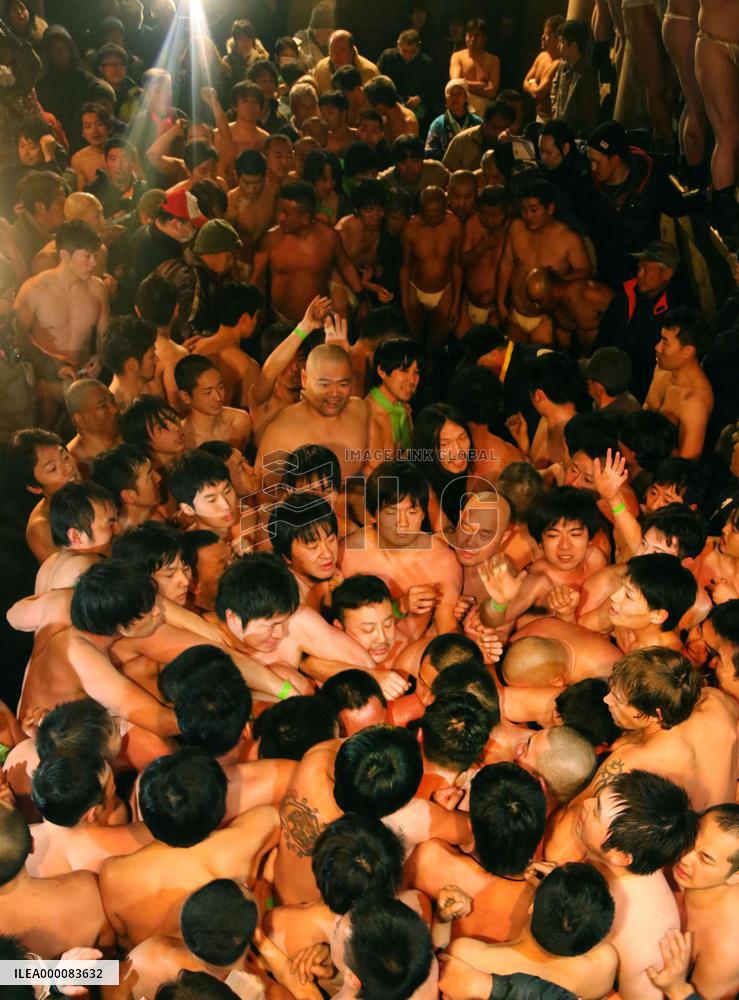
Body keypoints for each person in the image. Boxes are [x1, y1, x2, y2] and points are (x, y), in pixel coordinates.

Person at [575, 770, 698, 1000]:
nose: (585, 803)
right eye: (597, 799)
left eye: (596, 811)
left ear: (621, 856)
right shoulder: (613, 857)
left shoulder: (645, 937)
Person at [442, 863, 618, 1000]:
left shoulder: (468, 957)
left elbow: (434, 970)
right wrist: (559, 891)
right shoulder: (602, 964)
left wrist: (441, 918)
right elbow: (577, 923)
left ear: (532, 905)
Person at [342, 460, 463, 636]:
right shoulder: (346, 553)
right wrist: (400, 607)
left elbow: (448, 629)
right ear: (373, 514)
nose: (403, 523)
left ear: (423, 514)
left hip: (409, 655)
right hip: (354, 654)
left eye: (412, 512)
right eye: (392, 512)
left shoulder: (441, 561)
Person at [15, 219, 109, 424]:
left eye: (95, 255)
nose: (93, 263)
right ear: (65, 255)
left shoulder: (98, 289)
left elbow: (105, 333)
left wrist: (100, 357)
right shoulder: (34, 289)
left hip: (84, 382)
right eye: (87, 256)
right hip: (46, 385)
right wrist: (50, 364)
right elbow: (15, 337)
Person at [0, 803, 113, 958]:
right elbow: (107, 966)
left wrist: (49, 980)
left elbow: (9, 975)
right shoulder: (88, 890)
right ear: (33, 845)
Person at [255, 341, 371, 486]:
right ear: (304, 379)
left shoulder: (360, 411)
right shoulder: (282, 429)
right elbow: (264, 494)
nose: (334, 393)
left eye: (343, 384)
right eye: (325, 385)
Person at [251, 180, 367, 324]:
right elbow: (256, 278)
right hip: (280, 321)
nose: (280, 217)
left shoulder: (328, 237)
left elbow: (345, 265)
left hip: (319, 319)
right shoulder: (271, 239)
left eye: (287, 213)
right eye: (279, 211)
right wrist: (257, 313)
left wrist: (362, 298)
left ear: (305, 217)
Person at [496, 179, 591, 345]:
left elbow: (585, 270)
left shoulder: (568, 239)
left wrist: (554, 281)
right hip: (516, 313)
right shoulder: (516, 227)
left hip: (547, 319)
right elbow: (506, 264)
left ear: (550, 209)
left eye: (534, 210)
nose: (528, 216)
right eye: (524, 210)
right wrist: (500, 301)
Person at [673, 803, 739, 999]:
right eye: (691, 839)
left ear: (735, 877)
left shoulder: (727, 946)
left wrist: (674, 988)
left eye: (705, 859)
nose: (685, 858)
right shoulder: (673, 852)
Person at [645, 307, 714, 460]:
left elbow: (683, 469)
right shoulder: (662, 368)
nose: (657, 347)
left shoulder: (695, 403)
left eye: (665, 342)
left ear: (688, 351)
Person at [696, 0, 739, 238]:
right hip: (714, 40)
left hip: (714, 38)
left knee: (726, 138)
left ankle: (725, 217)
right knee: (726, 138)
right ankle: (725, 217)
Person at [401, 186, 462, 346]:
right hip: (416, 287)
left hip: (444, 289)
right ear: (421, 210)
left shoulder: (454, 225)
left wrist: (456, 303)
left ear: (446, 208)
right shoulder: (411, 228)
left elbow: (457, 265)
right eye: (429, 216)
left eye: (438, 215)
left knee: (437, 342)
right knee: (413, 338)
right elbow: (405, 267)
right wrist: (405, 303)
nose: (434, 220)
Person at [35, 480, 118, 593]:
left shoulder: (47, 566)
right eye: (110, 523)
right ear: (76, 536)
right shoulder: (90, 567)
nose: (118, 529)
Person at [525, 267, 615, 354]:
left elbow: (625, 309)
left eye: (539, 301)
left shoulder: (588, 293)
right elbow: (564, 345)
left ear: (554, 291)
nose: (536, 306)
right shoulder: (555, 309)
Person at [174, 356, 251, 451]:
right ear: (185, 397)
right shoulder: (181, 439)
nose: (218, 398)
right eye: (208, 392)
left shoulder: (239, 420)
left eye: (221, 387)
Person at [460, 185, 509, 332]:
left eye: (495, 216)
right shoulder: (472, 224)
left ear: (507, 211)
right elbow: (462, 260)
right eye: (484, 215)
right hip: (470, 300)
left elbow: (517, 269)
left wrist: (499, 295)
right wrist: (483, 247)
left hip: (499, 304)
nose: (489, 220)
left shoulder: (513, 229)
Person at [366, 337, 420, 465]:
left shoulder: (402, 409)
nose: (412, 380)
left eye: (416, 372)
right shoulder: (370, 418)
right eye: (404, 371)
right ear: (382, 371)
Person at [91, 444, 163, 530]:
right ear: (128, 496)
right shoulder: (117, 539)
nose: (159, 478)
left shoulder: (158, 518)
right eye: (150, 476)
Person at [377, 28, 438, 131]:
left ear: (418, 48)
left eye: (413, 52)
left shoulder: (427, 64)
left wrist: (420, 98)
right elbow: (378, 82)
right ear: (398, 45)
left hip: (417, 111)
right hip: (389, 105)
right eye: (404, 51)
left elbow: (436, 90)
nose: (408, 56)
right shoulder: (388, 58)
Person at [550, 20, 600, 138]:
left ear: (573, 46)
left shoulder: (586, 75)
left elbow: (588, 114)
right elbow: (554, 88)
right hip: (559, 130)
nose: (558, 46)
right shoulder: (562, 66)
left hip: (574, 137)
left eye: (561, 42)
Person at [102, 315, 162, 408]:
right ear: (132, 364)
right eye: (151, 356)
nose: (157, 360)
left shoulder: (152, 389)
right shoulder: (114, 411)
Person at [63, 378, 119, 477]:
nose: (114, 409)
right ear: (80, 420)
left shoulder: (128, 434)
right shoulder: (73, 466)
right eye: (103, 405)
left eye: (113, 400)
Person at [442, 100, 516, 173]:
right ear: (485, 121)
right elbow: (447, 171)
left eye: (503, 128)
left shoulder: (512, 143)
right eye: (494, 127)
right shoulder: (462, 140)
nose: (498, 132)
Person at [119, 396, 186, 472]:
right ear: (143, 440)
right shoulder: (153, 481)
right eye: (161, 426)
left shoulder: (192, 459)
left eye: (173, 418)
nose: (176, 427)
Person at [85, 137, 148, 218]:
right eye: (113, 159)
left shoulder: (143, 190)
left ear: (132, 161)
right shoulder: (96, 190)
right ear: (106, 162)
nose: (119, 165)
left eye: (124, 159)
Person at [450, 19, 500, 118]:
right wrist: (482, 84)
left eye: (477, 35)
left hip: (484, 112)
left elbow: (492, 92)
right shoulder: (457, 56)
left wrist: (465, 84)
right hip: (460, 109)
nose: (472, 39)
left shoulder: (493, 60)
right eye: (469, 35)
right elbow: (456, 84)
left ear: (484, 38)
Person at [379, 134, 450, 201]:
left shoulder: (436, 171)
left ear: (423, 160)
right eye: (403, 163)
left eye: (415, 161)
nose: (410, 168)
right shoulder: (385, 182)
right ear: (395, 164)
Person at [523, 15, 564, 123]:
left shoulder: (559, 63)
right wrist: (534, 86)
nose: (542, 37)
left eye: (547, 34)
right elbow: (524, 83)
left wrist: (532, 83)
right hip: (537, 114)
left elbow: (539, 94)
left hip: (550, 119)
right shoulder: (542, 56)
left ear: (557, 38)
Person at [313, 30, 380, 95]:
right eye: (332, 50)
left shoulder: (370, 72)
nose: (336, 55)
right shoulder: (320, 69)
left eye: (342, 50)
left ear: (351, 51)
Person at [582, 347, 641, 417]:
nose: (587, 381)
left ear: (598, 386)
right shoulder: (629, 401)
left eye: (588, 376)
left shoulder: (607, 422)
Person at [364, 75, 419, 143]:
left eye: (369, 104)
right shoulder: (384, 117)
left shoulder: (407, 126)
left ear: (380, 106)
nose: (367, 107)